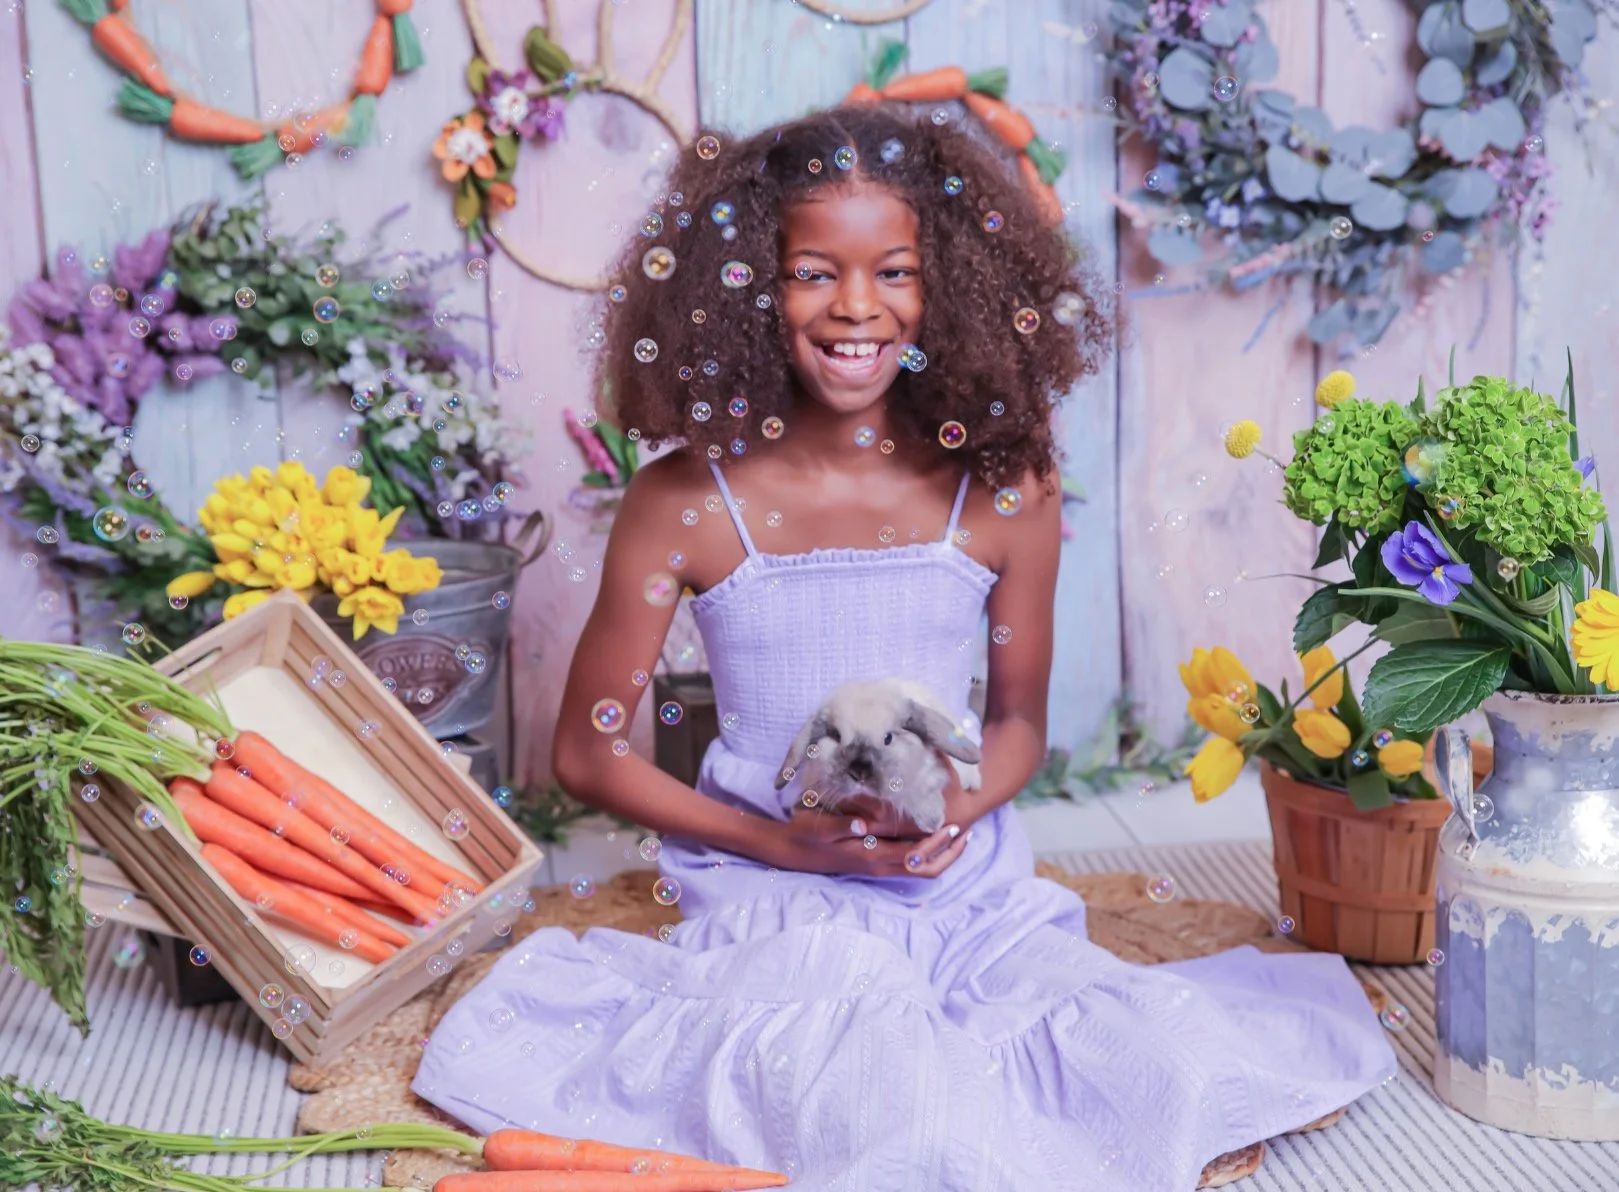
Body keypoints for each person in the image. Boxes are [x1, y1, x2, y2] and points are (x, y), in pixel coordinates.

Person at [413, 105, 1395, 1191]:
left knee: (1134, 1060)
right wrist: (787, 848)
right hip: (770, 885)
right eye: (809, 272)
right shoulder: (685, 503)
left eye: (894, 272)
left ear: (954, 291)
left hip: (959, 886)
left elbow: (1017, 724)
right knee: (864, 1080)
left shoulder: (1003, 488)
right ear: (742, 288)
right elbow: (589, 754)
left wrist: (953, 815)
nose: (854, 307)